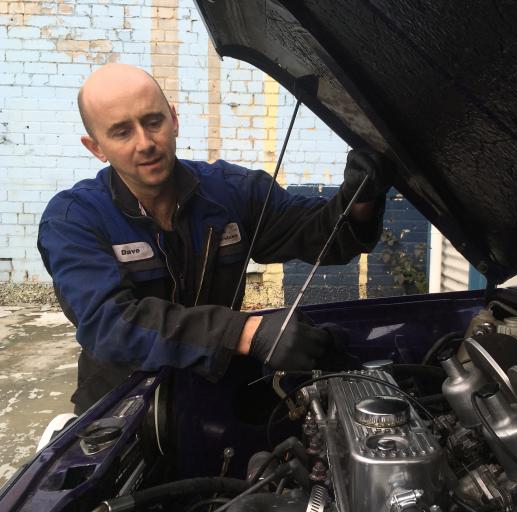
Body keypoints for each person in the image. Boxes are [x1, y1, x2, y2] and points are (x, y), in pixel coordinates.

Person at [37, 63, 391, 414]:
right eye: (121, 132)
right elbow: (110, 324)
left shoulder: (232, 193)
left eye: (153, 122)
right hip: (122, 412)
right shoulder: (73, 219)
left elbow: (321, 235)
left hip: (214, 396)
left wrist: (361, 197)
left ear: (173, 120)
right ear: (96, 147)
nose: (145, 143)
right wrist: (248, 333)